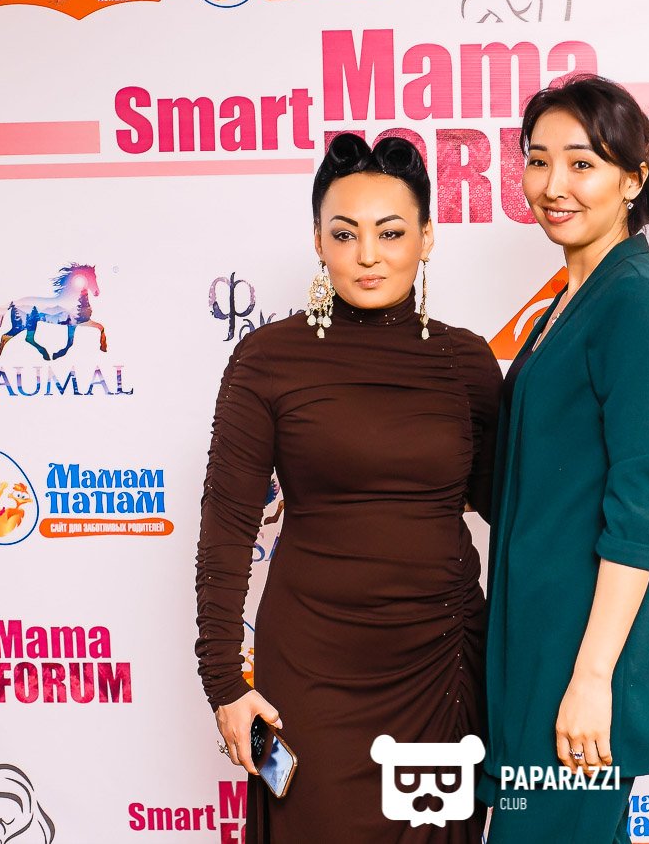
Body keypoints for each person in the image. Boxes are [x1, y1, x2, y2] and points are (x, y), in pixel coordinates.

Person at [194, 133, 502, 843]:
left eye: (391, 233)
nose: (368, 255)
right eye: (345, 233)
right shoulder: (268, 358)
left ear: (427, 238)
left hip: (440, 668)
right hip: (311, 669)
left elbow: (512, 509)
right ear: (318, 242)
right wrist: (225, 683)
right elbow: (228, 524)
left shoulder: (465, 361)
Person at [482, 74, 649, 843]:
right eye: (538, 161)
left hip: (581, 659)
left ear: (632, 178)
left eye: (582, 163)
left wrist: (591, 677)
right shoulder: (571, 301)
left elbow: (642, 511)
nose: (553, 185)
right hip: (537, 645)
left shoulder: (636, 303)